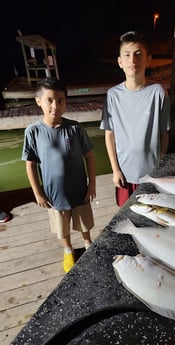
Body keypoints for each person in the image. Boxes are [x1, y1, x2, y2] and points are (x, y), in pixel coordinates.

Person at [22, 77, 96, 273]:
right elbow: (30, 165)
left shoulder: (75, 128)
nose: (55, 105)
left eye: (60, 100)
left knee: (84, 222)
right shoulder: (33, 132)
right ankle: (68, 250)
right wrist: (37, 193)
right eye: (49, 100)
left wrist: (92, 185)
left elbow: (89, 157)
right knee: (61, 226)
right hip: (54, 194)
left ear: (66, 102)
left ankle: (88, 244)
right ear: (39, 101)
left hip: (79, 189)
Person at [100, 30, 171, 207]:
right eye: (127, 55)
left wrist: (159, 168)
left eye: (139, 54)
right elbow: (109, 135)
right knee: (126, 215)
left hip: (152, 174)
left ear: (148, 59)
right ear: (120, 61)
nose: (133, 60)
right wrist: (115, 170)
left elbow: (164, 134)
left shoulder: (158, 93)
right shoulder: (112, 95)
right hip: (125, 174)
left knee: (153, 216)